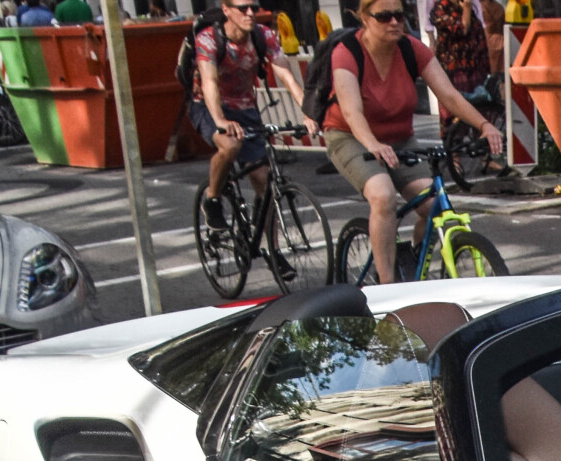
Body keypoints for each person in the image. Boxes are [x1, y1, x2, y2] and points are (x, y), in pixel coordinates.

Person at [324, 0, 501, 282]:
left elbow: (450, 95)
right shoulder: (348, 52)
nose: (394, 22)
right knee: (382, 196)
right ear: (365, 19)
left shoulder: (411, 48)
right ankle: (388, 286)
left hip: (399, 137)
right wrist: (372, 144)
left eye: (399, 15)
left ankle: (416, 256)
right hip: (351, 136)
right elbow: (350, 110)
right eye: (384, 17)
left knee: (433, 206)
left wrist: (483, 124)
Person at [194, 0, 313, 228]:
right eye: (243, 8)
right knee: (230, 145)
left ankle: (272, 250)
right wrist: (220, 120)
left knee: (264, 182)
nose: (250, 13)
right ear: (226, 10)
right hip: (208, 105)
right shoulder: (208, 39)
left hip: (245, 107)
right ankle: (212, 199)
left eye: (254, 8)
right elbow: (209, 82)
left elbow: (286, 75)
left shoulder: (263, 35)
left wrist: (308, 113)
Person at [429, 0, 486, 95]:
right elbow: (461, 30)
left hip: (475, 70)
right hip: (455, 72)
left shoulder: (468, 5)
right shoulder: (442, 8)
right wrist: (467, 7)